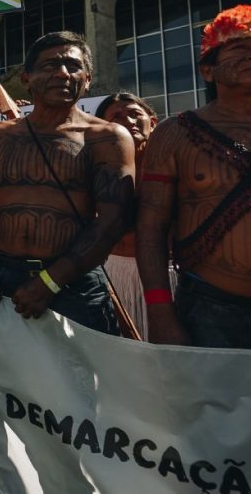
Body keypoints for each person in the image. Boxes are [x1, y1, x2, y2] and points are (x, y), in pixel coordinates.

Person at [0, 31, 135, 388]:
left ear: (87, 78)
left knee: (81, 395)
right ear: (26, 78)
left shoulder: (107, 137)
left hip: (74, 284)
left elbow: (113, 221)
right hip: (2, 280)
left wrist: (52, 280)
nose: (63, 73)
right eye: (50, 65)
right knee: (5, 389)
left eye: (74, 66)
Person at [137, 4, 251, 350]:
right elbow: (151, 228)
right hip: (209, 308)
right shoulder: (174, 134)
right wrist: (160, 313)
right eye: (240, 47)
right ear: (208, 71)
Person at [95, 92, 160, 340]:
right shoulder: (98, 171)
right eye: (117, 117)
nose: (128, 121)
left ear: (152, 122)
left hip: (166, 276)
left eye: (135, 114)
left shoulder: (173, 164)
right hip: (115, 274)